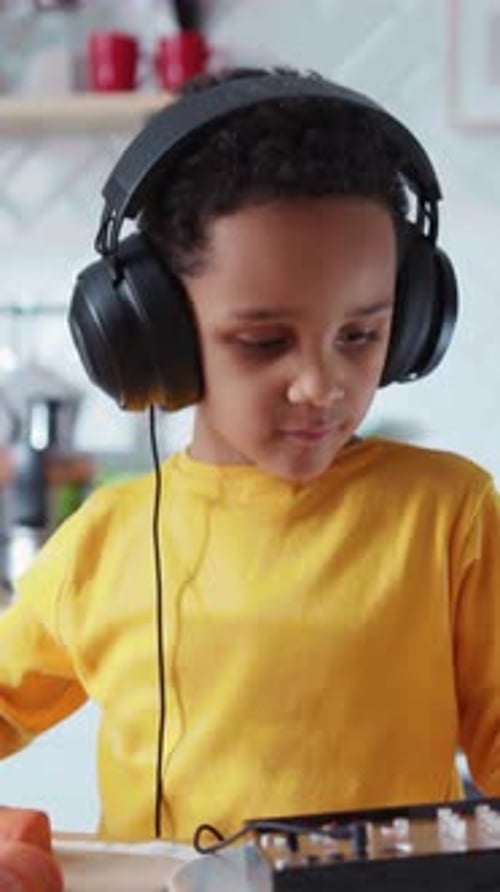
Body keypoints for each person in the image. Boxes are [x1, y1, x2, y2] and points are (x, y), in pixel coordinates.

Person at [0, 66, 499, 846]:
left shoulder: (449, 514)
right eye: (264, 342)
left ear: (410, 326)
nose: (319, 385)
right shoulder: (105, 541)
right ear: (153, 336)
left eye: (361, 335)